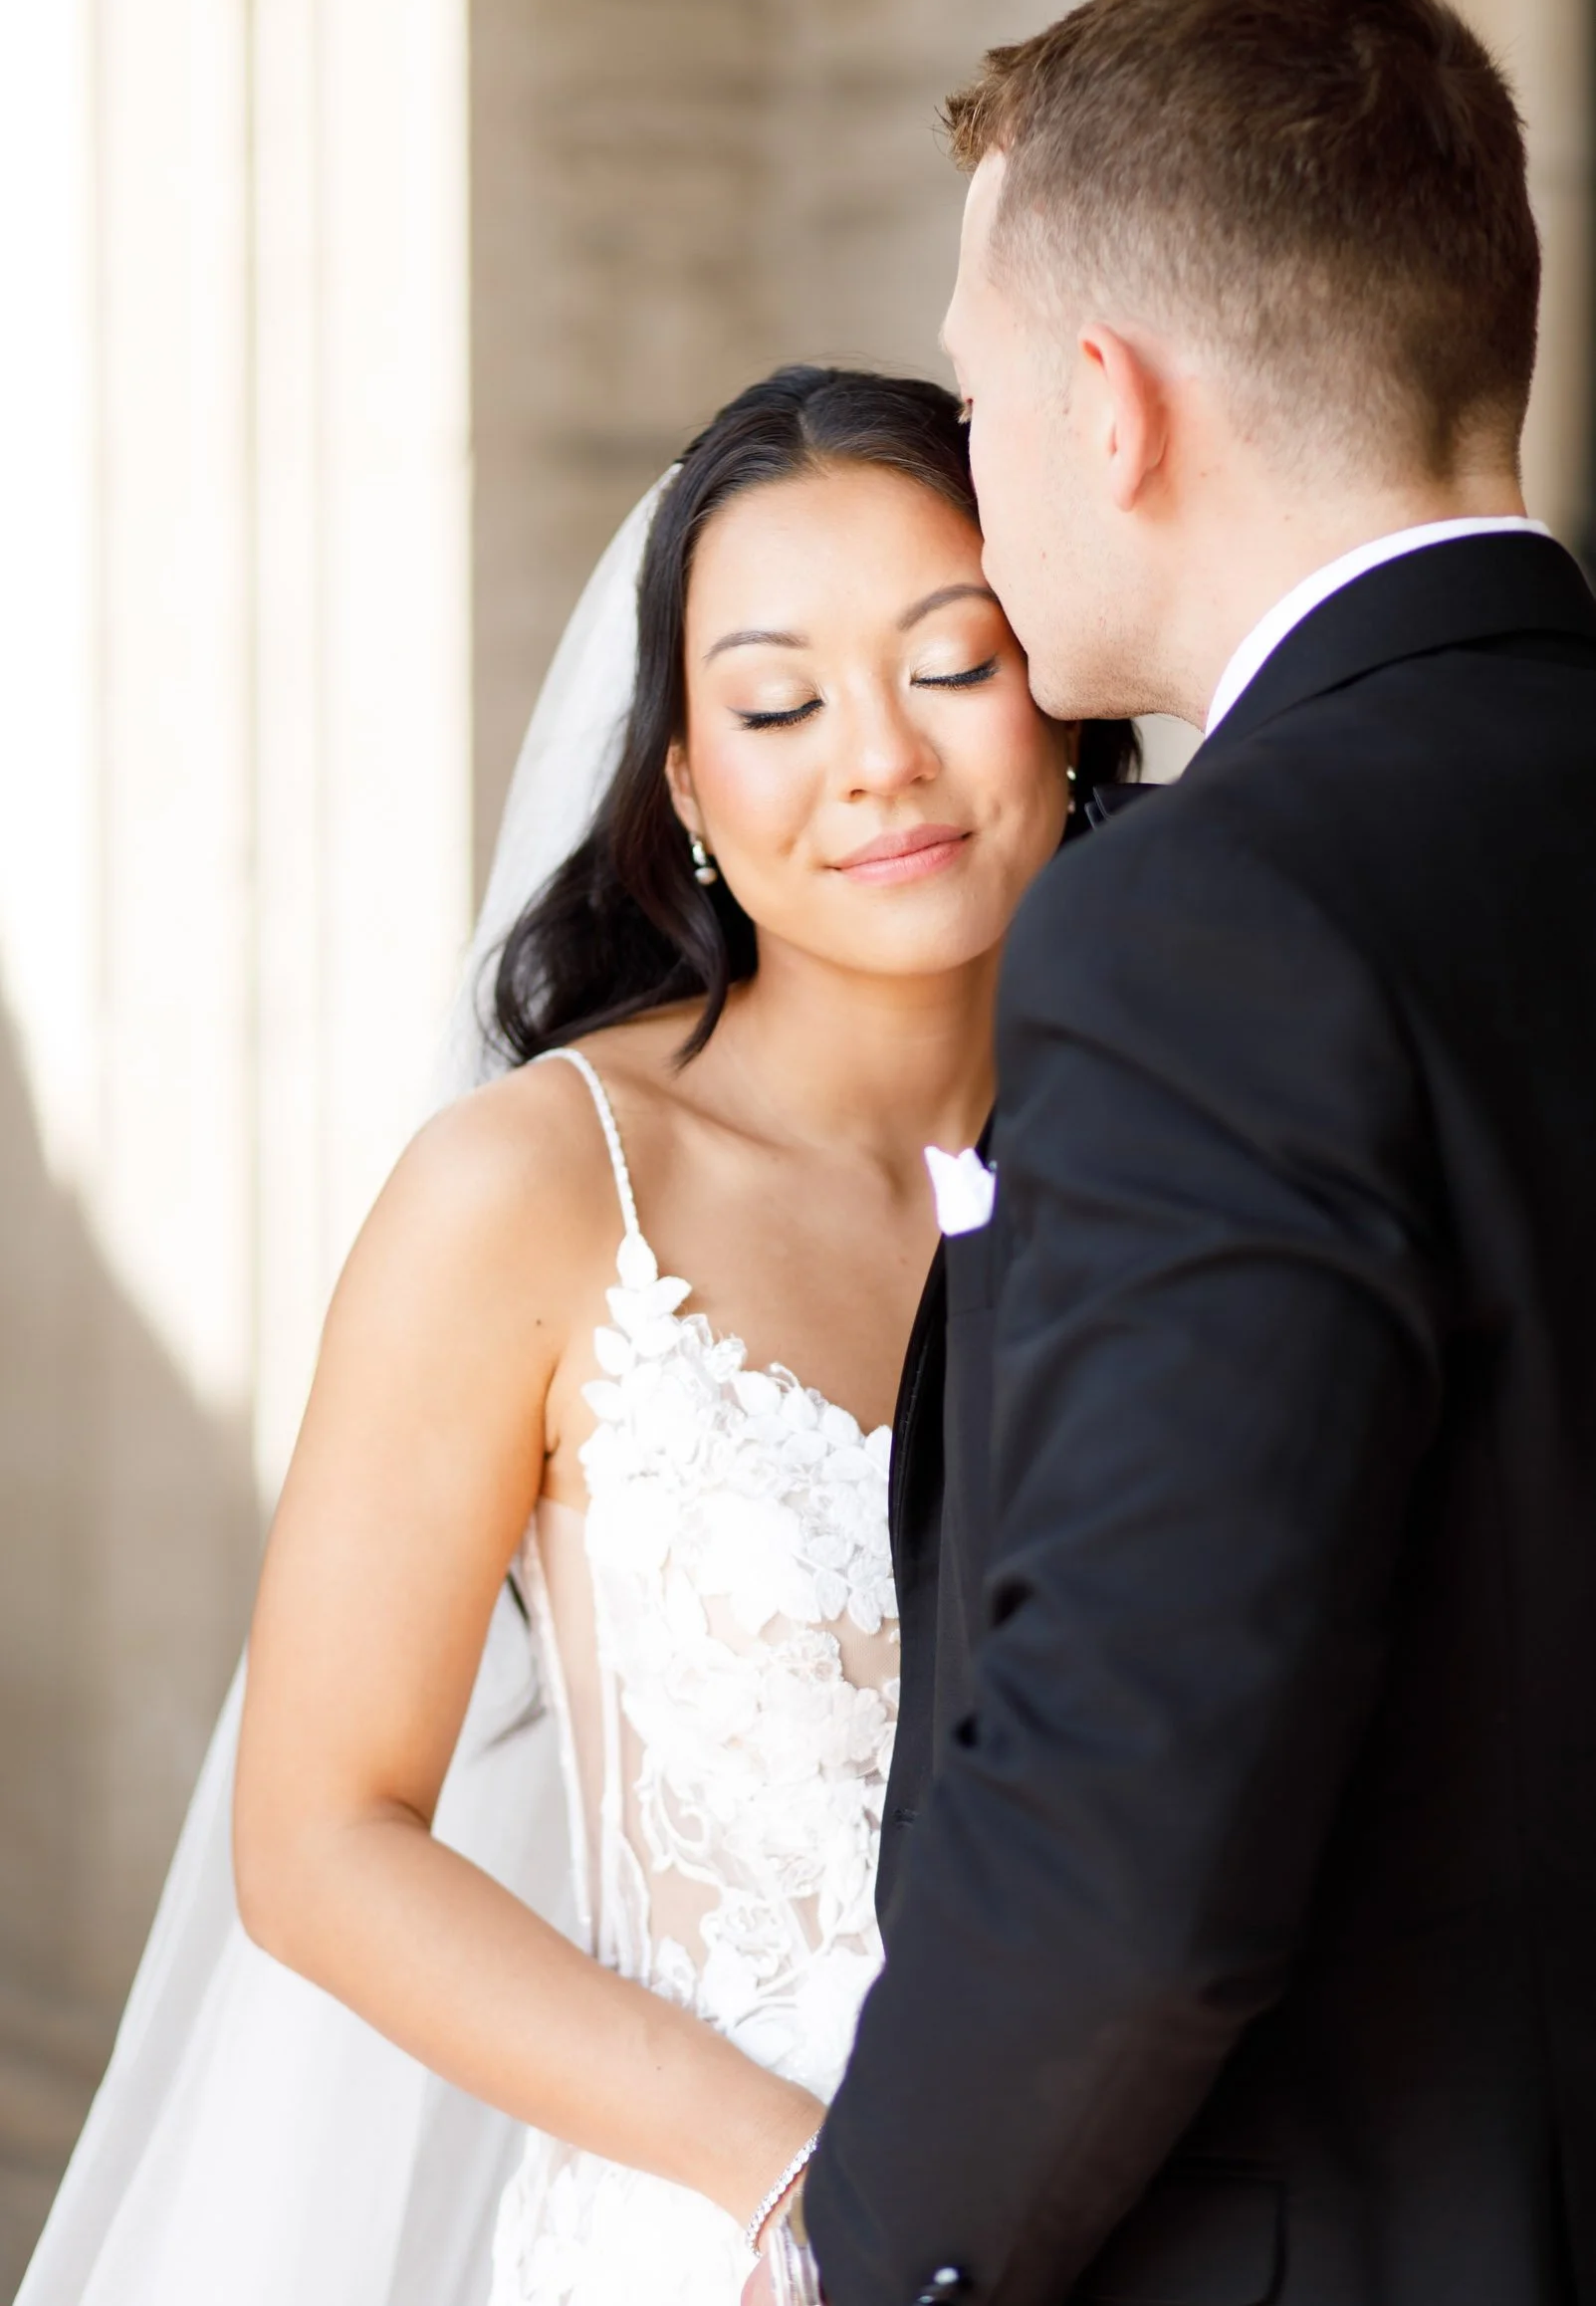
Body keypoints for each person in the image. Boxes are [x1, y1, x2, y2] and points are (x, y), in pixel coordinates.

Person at [16, 364, 1134, 2306]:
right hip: (725, 2238)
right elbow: (320, 1835)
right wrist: (802, 2192)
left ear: (1065, 702)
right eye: (780, 702)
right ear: (689, 784)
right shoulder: (536, 1189)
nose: (874, 756)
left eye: (952, 662)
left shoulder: (1172, 1163)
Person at [790, 0, 1596, 2306]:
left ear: (1107, 406)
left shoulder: (1207, 920)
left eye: (975, 392)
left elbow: (1133, 1812)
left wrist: (884, 2252)